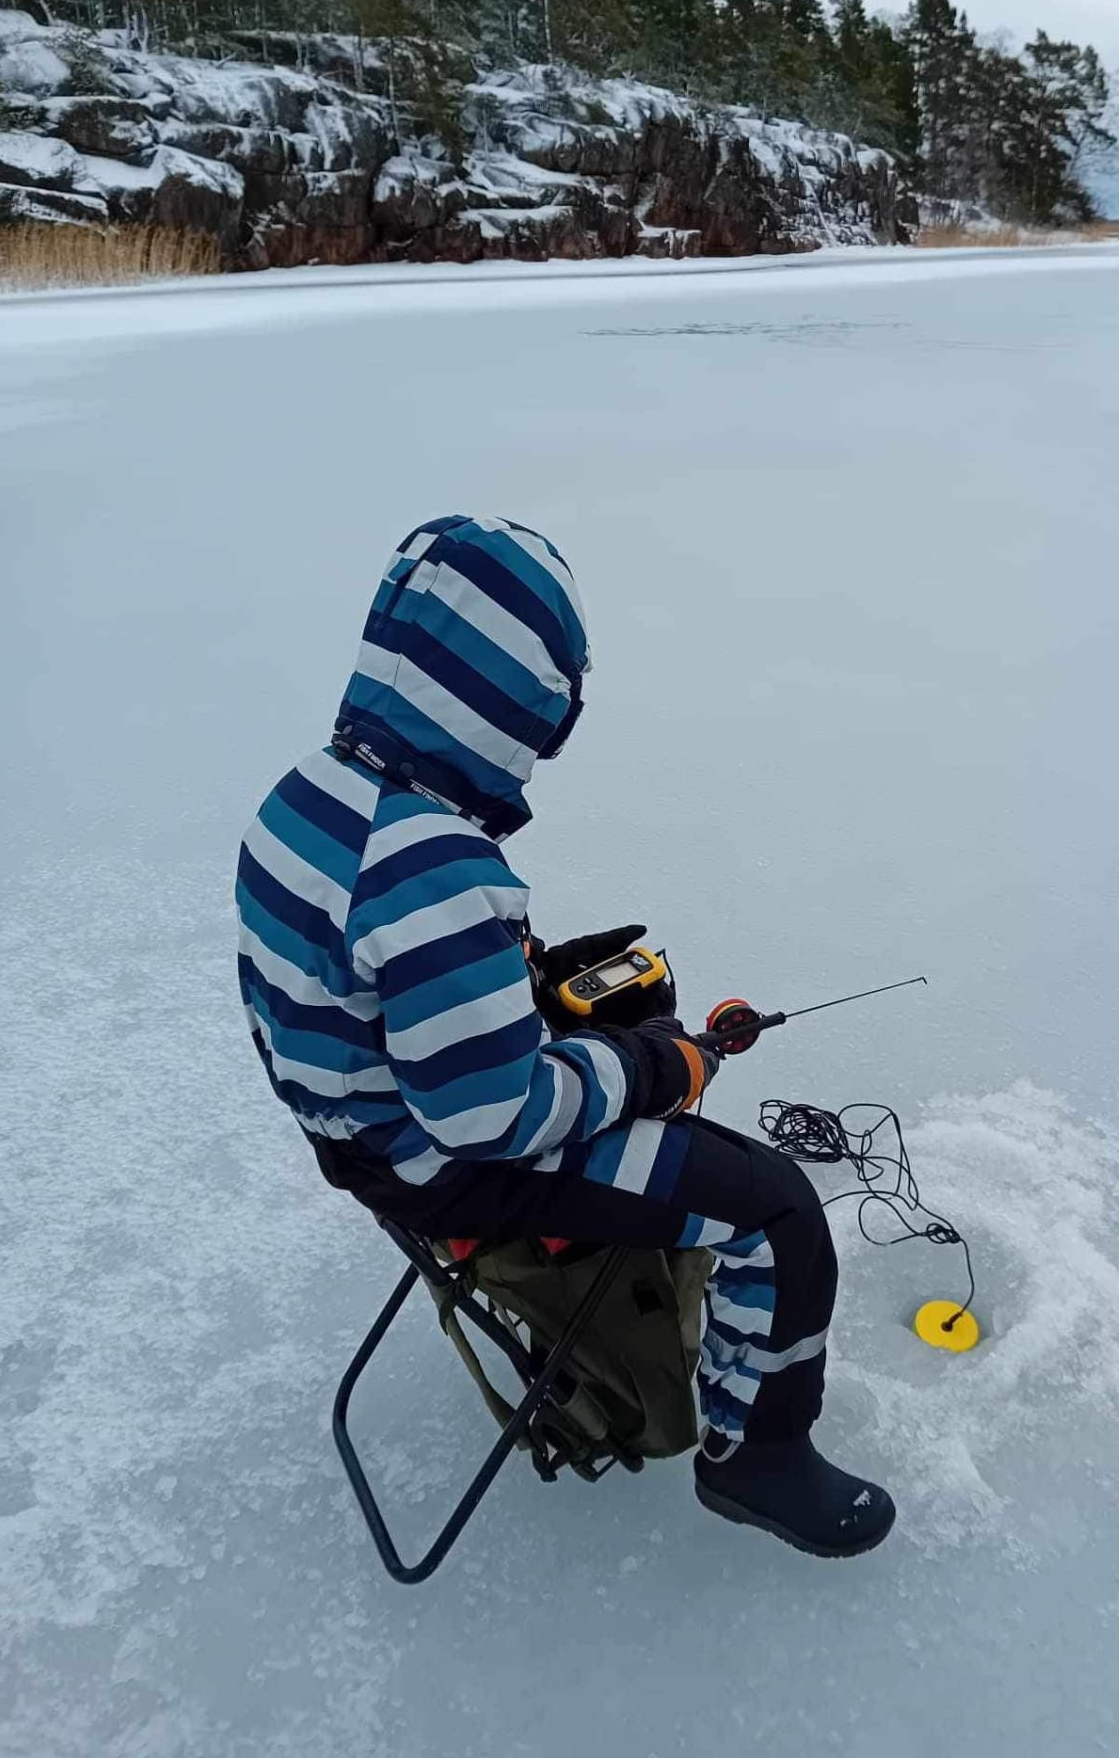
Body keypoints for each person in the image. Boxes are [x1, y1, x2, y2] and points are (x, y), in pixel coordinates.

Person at [235, 514, 894, 1557]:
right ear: (514, 705)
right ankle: (755, 1457)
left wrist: (523, 976)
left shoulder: (306, 798)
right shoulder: (435, 868)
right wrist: (655, 1066)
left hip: (359, 1138)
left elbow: (344, 976)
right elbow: (497, 1115)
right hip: (448, 1165)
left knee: (617, 1042)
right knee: (776, 1211)